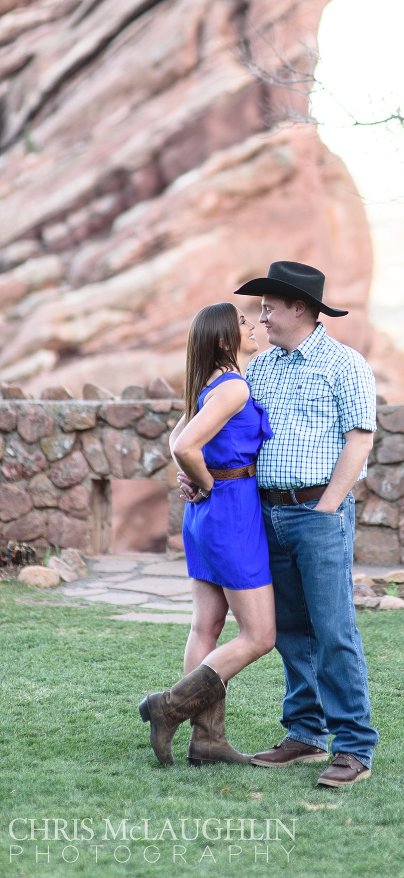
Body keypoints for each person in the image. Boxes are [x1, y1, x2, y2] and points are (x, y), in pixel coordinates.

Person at [234, 260, 379, 788]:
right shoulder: (262, 367)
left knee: (333, 630)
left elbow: (360, 438)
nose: (262, 314)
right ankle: (305, 734)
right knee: (290, 631)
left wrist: (327, 508)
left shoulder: (345, 365)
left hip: (318, 513)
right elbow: (239, 433)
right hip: (267, 512)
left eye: (269, 305)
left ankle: (354, 747)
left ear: (300, 307)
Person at [139, 303, 275, 766]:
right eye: (241, 322)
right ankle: (169, 706)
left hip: (206, 516)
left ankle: (208, 740)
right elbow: (183, 445)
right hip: (231, 509)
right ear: (223, 339)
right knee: (259, 636)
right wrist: (210, 480)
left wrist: (195, 479)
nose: (252, 325)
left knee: (207, 626)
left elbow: (177, 439)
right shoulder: (234, 386)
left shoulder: (210, 384)